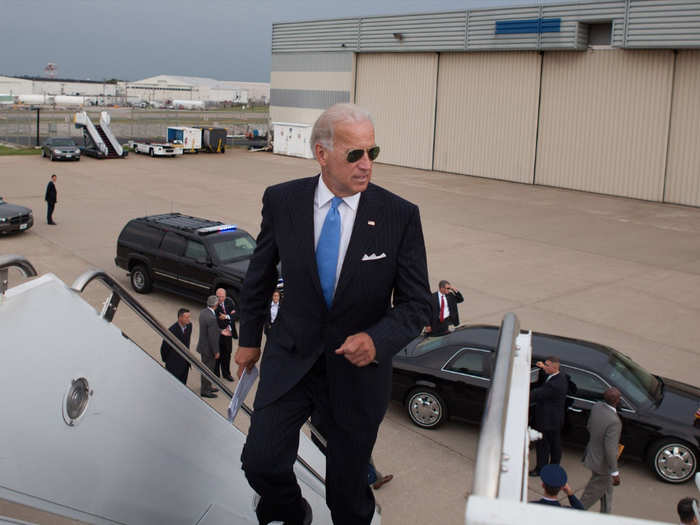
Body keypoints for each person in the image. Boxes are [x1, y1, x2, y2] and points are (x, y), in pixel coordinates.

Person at [234, 102, 431, 525]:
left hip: (356, 374)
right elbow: (259, 275)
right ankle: (292, 513)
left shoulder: (399, 216)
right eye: (354, 154)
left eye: (372, 153)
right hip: (292, 358)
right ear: (322, 154)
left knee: (346, 494)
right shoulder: (282, 200)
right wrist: (249, 339)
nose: (367, 165)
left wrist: (377, 340)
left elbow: (418, 305)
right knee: (261, 461)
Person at [580, 387, 623, 513]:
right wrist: (615, 472)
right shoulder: (615, 422)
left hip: (592, 455)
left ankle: (605, 515)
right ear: (617, 401)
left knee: (607, 491)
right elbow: (610, 449)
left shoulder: (597, 407)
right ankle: (574, 514)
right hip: (603, 466)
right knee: (589, 496)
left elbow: (589, 426)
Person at [529, 355, 568, 477]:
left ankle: (540, 469)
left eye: (546, 365)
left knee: (543, 445)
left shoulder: (553, 385)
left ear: (554, 367)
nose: (544, 366)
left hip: (547, 420)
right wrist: (542, 368)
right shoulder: (561, 376)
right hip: (556, 418)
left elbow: (536, 394)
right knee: (555, 443)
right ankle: (555, 464)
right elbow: (549, 376)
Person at [196, 295, 221, 399]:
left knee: (206, 368)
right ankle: (205, 390)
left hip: (203, 346)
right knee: (208, 369)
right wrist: (216, 351)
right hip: (209, 349)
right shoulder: (212, 318)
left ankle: (208, 386)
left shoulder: (203, 313)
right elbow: (213, 338)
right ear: (215, 305)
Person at [160, 308, 192, 385]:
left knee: (183, 385)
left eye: (189, 317)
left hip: (185, 364)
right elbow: (164, 348)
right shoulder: (171, 331)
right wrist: (168, 361)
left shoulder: (189, 326)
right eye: (187, 317)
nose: (189, 319)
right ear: (180, 318)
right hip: (173, 366)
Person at [215, 288, 238, 381]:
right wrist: (230, 317)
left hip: (228, 334)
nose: (220, 299)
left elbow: (237, 315)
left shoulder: (229, 302)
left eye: (222, 296)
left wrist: (226, 317)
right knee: (217, 354)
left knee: (227, 354)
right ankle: (215, 374)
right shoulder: (214, 305)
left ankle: (226, 373)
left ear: (225, 296)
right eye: (218, 297)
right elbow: (219, 323)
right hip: (218, 335)